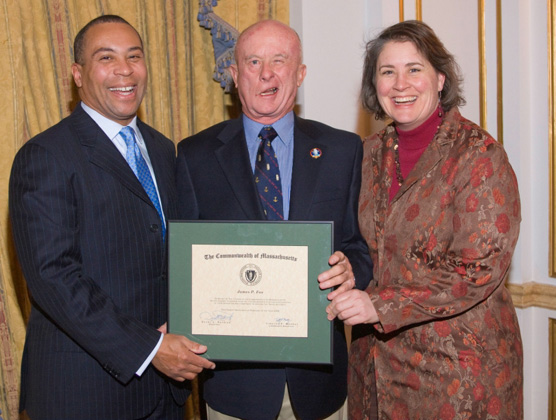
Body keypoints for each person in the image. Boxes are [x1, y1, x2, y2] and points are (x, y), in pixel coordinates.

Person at [9, 15, 215, 420]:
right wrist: (151, 349)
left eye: (134, 56)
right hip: (86, 392)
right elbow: (53, 278)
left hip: (166, 392)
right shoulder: (46, 155)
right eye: (107, 57)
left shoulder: (162, 149)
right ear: (78, 75)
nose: (125, 70)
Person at [176, 19, 373, 420]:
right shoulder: (194, 156)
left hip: (319, 383)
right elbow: (182, 264)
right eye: (253, 61)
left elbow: (359, 246)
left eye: (279, 60)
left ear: (299, 74)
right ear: (234, 76)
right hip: (234, 388)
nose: (266, 73)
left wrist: (353, 269)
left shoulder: (343, 150)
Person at [326, 20, 523, 419]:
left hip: (459, 376)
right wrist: (347, 266)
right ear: (374, 85)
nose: (401, 84)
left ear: (440, 79)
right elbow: (358, 243)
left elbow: (477, 268)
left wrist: (378, 304)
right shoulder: (363, 155)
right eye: (387, 72)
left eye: (414, 69)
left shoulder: (479, 156)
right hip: (375, 374)